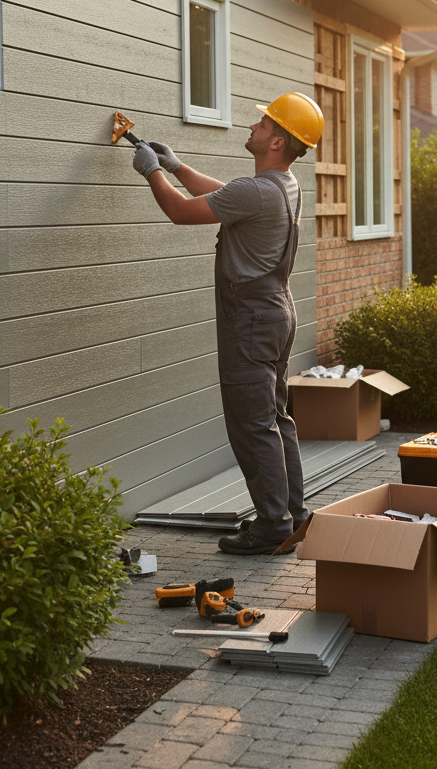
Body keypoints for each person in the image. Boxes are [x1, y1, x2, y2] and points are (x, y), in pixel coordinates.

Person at [130, 92, 324, 555]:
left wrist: (151, 171)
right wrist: (176, 168)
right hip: (277, 312)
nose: (253, 127)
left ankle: (273, 525)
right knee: (276, 418)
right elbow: (225, 197)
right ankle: (291, 515)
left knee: (252, 425)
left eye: (263, 124)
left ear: (277, 142)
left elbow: (180, 211)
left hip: (250, 320)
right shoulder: (282, 186)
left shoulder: (255, 191)